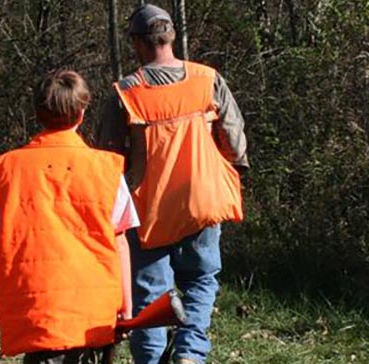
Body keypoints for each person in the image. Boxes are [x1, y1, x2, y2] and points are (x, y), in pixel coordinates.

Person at [96, 4, 249, 364]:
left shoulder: (126, 92)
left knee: (149, 293)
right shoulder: (207, 78)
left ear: (137, 43)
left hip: (149, 209)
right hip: (203, 200)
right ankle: (190, 355)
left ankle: (149, 361)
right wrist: (229, 173)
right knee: (200, 280)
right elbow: (235, 140)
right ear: (172, 36)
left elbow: (108, 158)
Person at [0, 70, 140, 364]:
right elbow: (120, 242)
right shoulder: (106, 169)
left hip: (35, 307)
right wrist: (126, 308)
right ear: (82, 112)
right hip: (93, 307)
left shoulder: (8, 169)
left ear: (36, 113)